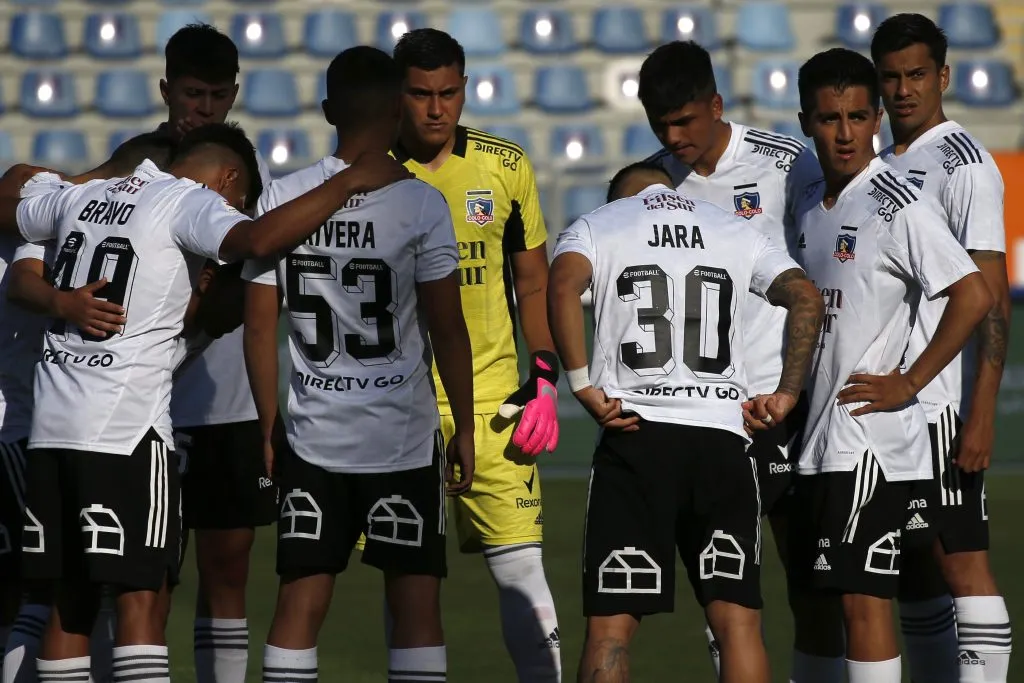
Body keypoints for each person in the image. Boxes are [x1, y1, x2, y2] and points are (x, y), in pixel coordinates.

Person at [0, 122, 409, 683]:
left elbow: (16, 222)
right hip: (125, 433)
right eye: (236, 203)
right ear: (228, 181)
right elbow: (257, 241)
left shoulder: (81, 195)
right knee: (141, 598)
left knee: (68, 603)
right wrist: (349, 183)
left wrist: (58, 300)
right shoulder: (187, 202)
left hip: (51, 429)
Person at [10, 24, 276, 683]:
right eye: (192, 93)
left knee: (224, 567)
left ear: (234, 94)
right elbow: (46, 230)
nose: (202, 108)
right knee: (128, 583)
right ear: (166, 89)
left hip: (223, 393)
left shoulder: (234, 167)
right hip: (129, 406)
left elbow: (247, 282)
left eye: (217, 95)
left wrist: (202, 314)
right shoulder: (135, 165)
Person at [241, 46, 474, 683]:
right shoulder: (422, 204)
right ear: (399, 109)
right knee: (415, 599)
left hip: (313, 435)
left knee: (301, 597)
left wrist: (268, 423)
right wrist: (467, 429)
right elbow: (447, 330)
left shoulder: (283, 197)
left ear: (327, 112)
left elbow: (260, 323)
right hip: (399, 437)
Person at [549, 162, 824, 683]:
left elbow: (561, 285)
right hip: (723, 440)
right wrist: (787, 392)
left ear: (618, 197)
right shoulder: (731, 227)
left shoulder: (598, 223)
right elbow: (805, 295)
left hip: (636, 434)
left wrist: (581, 383)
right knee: (737, 626)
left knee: (610, 632)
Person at [785, 47, 993, 683]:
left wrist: (909, 382)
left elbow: (974, 293)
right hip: (816, 439)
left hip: (866, 444)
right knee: (827, 604)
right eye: (828, 119)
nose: (844, 133)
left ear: (875, 118)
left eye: (855, 117)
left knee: (862, 602)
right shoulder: (810, 203)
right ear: (806, 122)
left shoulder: (896, 202)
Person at [635, 41, 828, 678]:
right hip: (711, 420)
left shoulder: (789, 163)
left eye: (685, 120)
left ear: (716, 105)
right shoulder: (655, 184)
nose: (673, 136)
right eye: (660, 123)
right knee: (724, 602)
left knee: (816, 587)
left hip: (789, 407)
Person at [388, 28, 562, 681]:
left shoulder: (505, 165)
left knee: (521, 570)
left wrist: (543, 375)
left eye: (449, 94)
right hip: (398, 404)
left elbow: (534, 281)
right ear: (397, 95)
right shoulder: (370, 167)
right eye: (421, 94)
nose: (436, 109)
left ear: (465, 90)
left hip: (492, 403)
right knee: (406, 577)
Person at [1, 133, 176, 683]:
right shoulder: (60, 202)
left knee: (60, 594)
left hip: (46, 422)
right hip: (30, 422)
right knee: (58, 597)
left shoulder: (54, 208)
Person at [871, 14, 1013, 683]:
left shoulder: (964, 165)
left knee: (961, 556)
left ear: (944, 77)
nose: (903, 90)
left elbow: (991, 297)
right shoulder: (883, 163)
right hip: (890, 407)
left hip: (939, 409)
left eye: (917, 75)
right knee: (913, 561)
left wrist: (979, 412)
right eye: (891, 77)